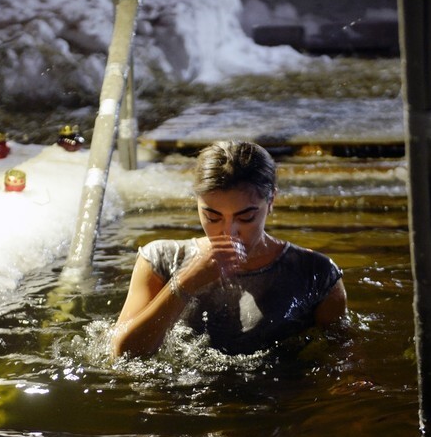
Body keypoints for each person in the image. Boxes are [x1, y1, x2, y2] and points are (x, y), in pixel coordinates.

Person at [111, 141, 347, 357]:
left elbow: (340, 358)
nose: (228, 232)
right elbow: (121, 354)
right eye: (212, 217)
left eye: (246, 217)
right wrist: (185, 282)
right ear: (197, 203)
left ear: (271, 201)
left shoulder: (316, 274)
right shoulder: (161, 260)